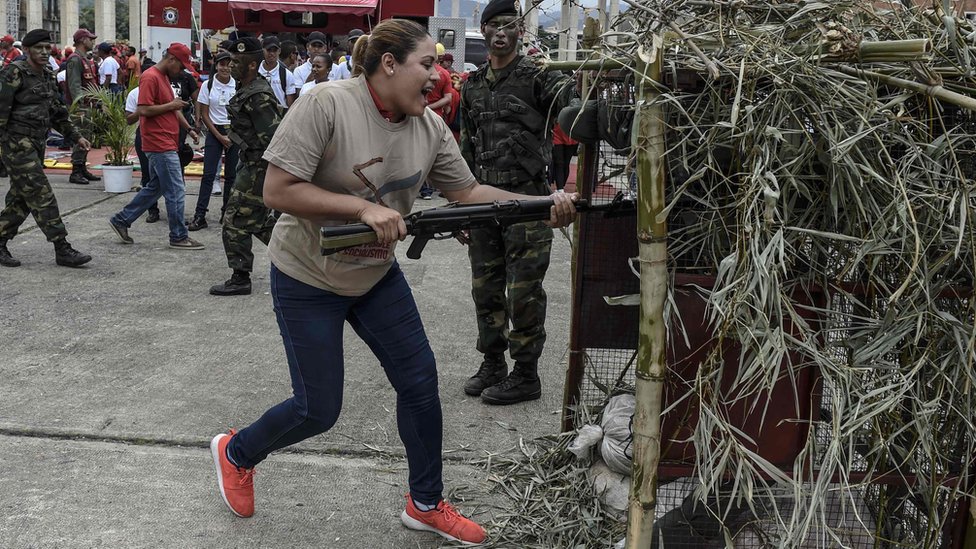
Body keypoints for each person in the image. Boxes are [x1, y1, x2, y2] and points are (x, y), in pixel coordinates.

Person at [207, 19, 577, 545]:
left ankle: (425, 502)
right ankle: (236, 452)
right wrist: (362, 207)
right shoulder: (326, 104)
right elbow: (277, 190)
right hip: (307, 276)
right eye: (427, 64)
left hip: (376, 276)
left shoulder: (429, 127)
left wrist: (543, 207)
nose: (437, 74)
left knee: (421, 385)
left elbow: (469, 192)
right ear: (388, 64)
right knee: (318, 409)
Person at [459, 0, 576, 405]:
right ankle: (493, 363)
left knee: (523, 291)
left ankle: (526, 374)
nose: (501, 33)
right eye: (494, 26)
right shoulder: (471, 85)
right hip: (483, 201)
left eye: (509, 25)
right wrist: (462, 206)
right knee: (485, 288)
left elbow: (575, 116)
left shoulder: (539, 78)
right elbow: (465, 148)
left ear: (520, 32)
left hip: (528, 200)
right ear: (484, 29)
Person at [0, 29, 92, 268]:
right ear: (27, 50)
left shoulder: (48, 76)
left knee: (21, 198)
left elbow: (58, 113)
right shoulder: (14, 73)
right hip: (17, 144)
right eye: (38, 48)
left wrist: (76, 136)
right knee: (41, 194)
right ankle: (62, 247)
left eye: (47, 48)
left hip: (38, 143)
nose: (43, 52)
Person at [108, 43, 204, 250]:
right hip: (158, 143)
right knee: (176, 189)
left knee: (156, 187)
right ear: (172, 60)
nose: (181, 71)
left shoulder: (164, 78)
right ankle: (178, 235)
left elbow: (174, 109)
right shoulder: (151, 77)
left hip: (166, 141)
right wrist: (172, 105)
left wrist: (188, 129)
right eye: (181, 65)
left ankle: (122, 220)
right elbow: (143, 110)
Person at [208, 38, 283, 296]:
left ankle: (240, 278)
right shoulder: (247, 87)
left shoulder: (258, 95)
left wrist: (263, 173)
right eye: (230, 60)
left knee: (233, 220)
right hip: (250, 164)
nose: (231, 66)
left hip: (258, 169)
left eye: (237, 62)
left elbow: (274, 139)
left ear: (252, 65)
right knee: (259, 222)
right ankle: (301, 258)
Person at [188, 51, 238, 231]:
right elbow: (204, 114)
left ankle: (227, 213)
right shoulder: (208, 85)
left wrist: (230, 136)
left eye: (228, 64)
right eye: (222, 64)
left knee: (232, 176)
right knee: (208, 175)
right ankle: (200, 215)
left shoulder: (237, 85)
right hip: (214, 131)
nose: (225, 68)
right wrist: (219, 136)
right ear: (216, 66)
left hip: (234, 132)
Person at [64, 28, 101, 185]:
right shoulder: (75, 59)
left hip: (88, 106)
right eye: (90, 39)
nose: (92, 41)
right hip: (80, 107)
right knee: (81, 138)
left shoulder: (85, 59)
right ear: (81, 41)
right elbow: (75, 85)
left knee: (87, 137)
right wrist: (79, 106)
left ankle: (82, 168)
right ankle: (76, 172)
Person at [258, 36, 297, 108]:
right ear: (262, 50)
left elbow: (290, 104)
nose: (272, 53)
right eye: (269, 50)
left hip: (279, 116)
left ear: (279, 51)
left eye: (274, 50)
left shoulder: (287, 74)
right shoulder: (255, 71)